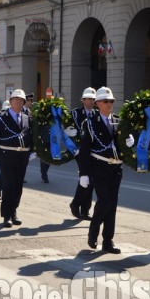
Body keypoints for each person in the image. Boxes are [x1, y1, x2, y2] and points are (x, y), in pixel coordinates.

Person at [78, 87, 132, 254]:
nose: (110, 104)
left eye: (111, 101)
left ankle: (108, 240)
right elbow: (84, 150)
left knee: (112, 204)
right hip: (99, 167)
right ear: (98, 104)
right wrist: (84, 174)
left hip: (116, 167)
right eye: (106, 101)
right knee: (105, 201)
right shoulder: (90, 123)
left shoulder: (118, 121)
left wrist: (131, 140)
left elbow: (122, 142)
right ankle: (93, 231)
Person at [0, 89, 35, 227]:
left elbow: (29, 136)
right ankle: (6, 216)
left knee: (18, 187)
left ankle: (13, 212)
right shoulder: (0, 117)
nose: (19, 102)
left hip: (22, 157)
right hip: (6, 157)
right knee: (8, 186)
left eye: (21, 100)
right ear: (11, 101)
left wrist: (32, 150)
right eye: (16, 100)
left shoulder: (26, 118)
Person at [69, 87, 98, 220]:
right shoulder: (75, 113)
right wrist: (67, 131)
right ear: (83, 100)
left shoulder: (96, 113)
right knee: (86, 177)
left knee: (90, 181)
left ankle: (85, 209)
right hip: (79, 150)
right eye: (89, 99)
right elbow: (67, 125)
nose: (91, 101)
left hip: (94, 151)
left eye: (93, 99)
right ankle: (76, 204)